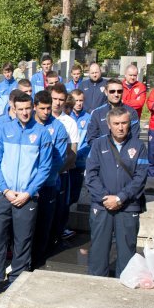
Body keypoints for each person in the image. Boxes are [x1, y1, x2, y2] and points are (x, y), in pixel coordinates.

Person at [0, 91, 51, 299]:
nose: (25, 112)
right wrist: (7, 190)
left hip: (28, 196)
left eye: (28, 108)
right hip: (4, 194)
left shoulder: (42, 133)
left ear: (33, 107)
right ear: (14, 109)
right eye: (21, 109)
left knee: (23, 239)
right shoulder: (3, 130)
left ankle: (17, 280)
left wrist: (28, 192)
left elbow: (44, 167)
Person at [86, 106, 149, 278]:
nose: (120, 127)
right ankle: (95, 287)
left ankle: (124, 287)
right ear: (108, 125)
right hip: (102, 205)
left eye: (124, 123)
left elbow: (140, 177)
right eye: (116, 123)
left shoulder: (139, 146)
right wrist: (105, 198)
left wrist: (121, 198)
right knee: (98, 251)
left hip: (128, 207)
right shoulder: (98, 144)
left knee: (127, 252)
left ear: (130, 124)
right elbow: (90, 175)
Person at [28, 91, 71, 269]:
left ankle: (38, 262)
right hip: (27, 185)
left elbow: (58, 159)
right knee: (26, 227)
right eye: (43, 108)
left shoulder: (58, 128)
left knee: (43, 226)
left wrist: (38, 179)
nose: (47, 112)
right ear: (35, 107)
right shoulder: (27, 124)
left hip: (48, 185)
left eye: (48, 108)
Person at [48, 84, 81, 251]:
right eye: (54, 99)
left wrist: (56, 171)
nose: (57, 103)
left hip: (61, 174)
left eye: (61, 99)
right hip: (42, 176)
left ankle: (56, 241)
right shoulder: (39, 118)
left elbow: (72, 154)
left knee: (59, 210)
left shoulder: (69, 123)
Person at [65, 89, 92, 240]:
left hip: (79, 162)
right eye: (76, 100)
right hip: (67, 163)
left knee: (74, 194)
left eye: (81, 100)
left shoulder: (88, 118)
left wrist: (78, 156)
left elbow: (89, 141)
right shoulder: (67, 117)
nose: (79, 103)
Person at [86, 78, 140, 143]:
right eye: (112, 91)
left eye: (119, 91)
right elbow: (91, 138)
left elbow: (135, 138)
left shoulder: (131, 112)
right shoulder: (97, 113)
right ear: (106, 92)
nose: (116, 94)